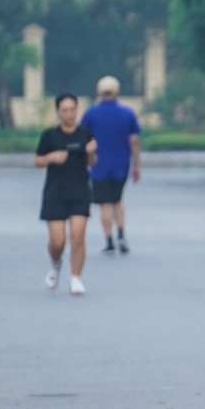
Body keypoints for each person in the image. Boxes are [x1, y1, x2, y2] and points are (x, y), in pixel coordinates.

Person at [34, 93, 97, 296]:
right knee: (58, 241)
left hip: (79, 191)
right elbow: (37, 161)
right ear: (58, 112)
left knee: (77, 237)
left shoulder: (85, 134)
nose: (69, 114)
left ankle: (76, 278)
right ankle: (55, 262)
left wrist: (91, 152)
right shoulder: (50, 136)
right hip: (55, 192)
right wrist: (51, 157)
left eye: (72, 110)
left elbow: (92, 163)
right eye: (65, 110)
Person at [80, 75, 141, 253]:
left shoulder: (91, 114)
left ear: (99, 92)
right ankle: (121, 233)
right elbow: (134, 140)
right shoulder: (127, 113)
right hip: (121, 164)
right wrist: (136, 164)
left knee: (104, 204)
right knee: (118, 201)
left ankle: (109, 241)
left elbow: (84, 140)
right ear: (117, 91)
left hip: (98, 165)